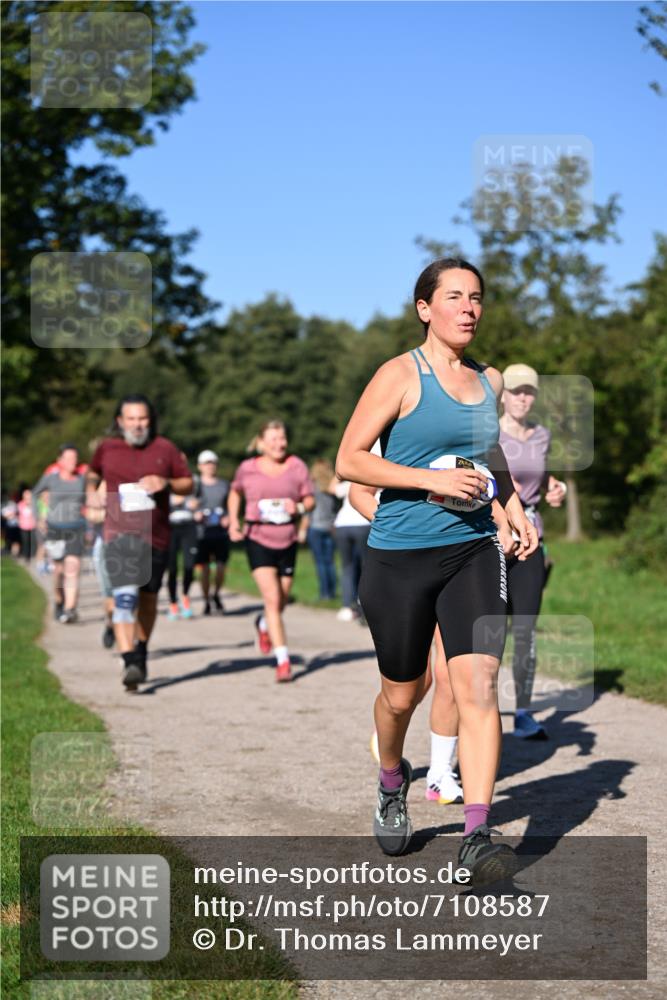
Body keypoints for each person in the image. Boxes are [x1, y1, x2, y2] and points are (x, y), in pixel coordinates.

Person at [336, 258, 537, 881]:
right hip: (399, 554)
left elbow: (489, 452)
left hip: (473, 548)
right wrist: (429, 480)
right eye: (455, 297)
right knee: (402, 694)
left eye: (477, 298)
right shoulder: (399, 374)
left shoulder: (490, 380)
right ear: (425, 308)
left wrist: (511, 507)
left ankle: (477, 832)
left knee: (478, 688)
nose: (469, 308)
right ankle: (392, 778)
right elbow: (349, 459)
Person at [86, 394, 192, 690]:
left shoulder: (165, 448)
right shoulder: (107, 448)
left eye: (142, 418)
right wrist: (92, 490)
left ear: (151, 420)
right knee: (124, 596)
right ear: (120, 421)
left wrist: (166, 483)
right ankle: (129, 658)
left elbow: (188, 482)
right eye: (131, 419)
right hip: (118, 534)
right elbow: (92, 473)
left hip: (156, 537)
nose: (137, 424)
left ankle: (141, 651)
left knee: (147, 600)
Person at [499, 363, 567, 739]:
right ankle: (480, 713)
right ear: (503, 395)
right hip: (492, 540)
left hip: (531, 541)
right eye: (516, 391)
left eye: (529, 392)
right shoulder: (487, 434)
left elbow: (544, 480)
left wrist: (559, 491)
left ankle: (523, 712)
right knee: (488, 631)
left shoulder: (541, 436)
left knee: (525, 628)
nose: (522, 398)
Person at [228, 420, 315, 682]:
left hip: (287, 538)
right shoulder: (248, 468)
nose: (279, 443)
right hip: (258, 537)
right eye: (273, 439)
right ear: (262, 442)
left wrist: (298, 509)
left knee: (281, 600)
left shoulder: (297, 465)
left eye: (282, 438)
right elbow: (235, 493)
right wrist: (234, 521)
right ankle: (283, 661)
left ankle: (263, 625)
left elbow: (309, 499)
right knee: (272, 599)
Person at [33, 445, 87, 623]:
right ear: (60, 461)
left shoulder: (81, 480)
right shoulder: (51, 479)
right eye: (69, 458)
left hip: (76, 527)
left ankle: (70, 608)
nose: (73, 462)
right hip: (55, 528)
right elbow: (35, 494)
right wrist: (38, 518)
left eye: (75, 458)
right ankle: (59, 601)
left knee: (73, 568)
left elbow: (90, 497)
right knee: (58, 571)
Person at [194, 450, 230, 615]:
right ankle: (206, 599)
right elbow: (188, 503)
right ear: (200, 466)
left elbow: (231, 506)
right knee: (205, 569)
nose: (210, 466)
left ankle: (216, 594)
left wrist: (229, 517)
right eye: (207, 463)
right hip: (202, 533)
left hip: (221, 532)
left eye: (213, 463)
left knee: (221, 567)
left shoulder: (224, 485)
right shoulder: (195, 485)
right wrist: (196, 513)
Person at [304, 459, 338, 601]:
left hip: (316, 527)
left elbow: (309, 510)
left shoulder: (312, 487)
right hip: (330, 527)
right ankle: (332, 592)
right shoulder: (332, 488)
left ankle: (324, 593)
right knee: (330, 561)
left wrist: (302, 529)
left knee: (320, 562)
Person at [166, 492, 199, 620]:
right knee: (172, 568)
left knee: (189, 566)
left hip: (189, 527)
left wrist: (196, 507)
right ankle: (173, 603)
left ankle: (185, 596)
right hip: (170, 527)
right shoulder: (164, 484)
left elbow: (201, 501)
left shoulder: (192, 482)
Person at [18, 487, 37, 562]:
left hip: (33, 526)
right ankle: (26, 556)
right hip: (24, 526)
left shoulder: (34, 504)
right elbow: (21, 513)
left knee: (33, 542)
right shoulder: (20, 504)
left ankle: (33, 556)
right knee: (25, 542)